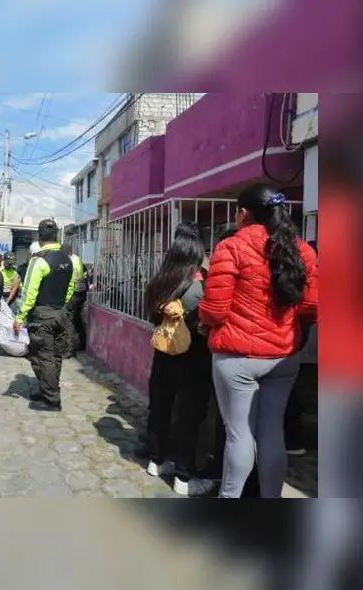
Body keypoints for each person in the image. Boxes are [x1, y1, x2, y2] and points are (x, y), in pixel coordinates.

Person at [199, 183, 319, 498]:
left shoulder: (232, 247)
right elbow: (312, 307)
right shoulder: (303, 250)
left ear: (243, 213)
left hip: (236, 357)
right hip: (283, 357)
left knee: (239, 435)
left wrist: (207, 325)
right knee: (272, 433)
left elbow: (214, 309)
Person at [141, 222, 217, 497]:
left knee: (160, 408)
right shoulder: (200, 287)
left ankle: (157, 461)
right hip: (193, 358)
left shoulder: (160, 284)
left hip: (163, 354)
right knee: (189, 415)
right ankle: (184, 477)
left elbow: (151, 318)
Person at [14, 219, 76, 411]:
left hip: (43, 315)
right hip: (61, 313)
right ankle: (47, 389)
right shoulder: (68, 259)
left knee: (42, 356)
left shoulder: (39, 259)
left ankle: (51, 399)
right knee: (55, 356)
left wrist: (20, 317)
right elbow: (71, 287)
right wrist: (62, 307)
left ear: (39, 238)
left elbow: (29, 293)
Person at [61, 245, 88, 359]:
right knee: (76, 319)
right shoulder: (77, 259)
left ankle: (69, 350)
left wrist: (66, 300)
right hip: (82, 293)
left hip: (73, 294)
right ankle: (83, 343)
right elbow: (85, 274)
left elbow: (70, 283)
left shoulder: (69, 262)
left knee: (69, 321)